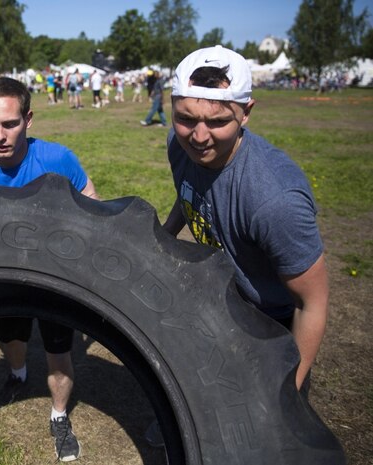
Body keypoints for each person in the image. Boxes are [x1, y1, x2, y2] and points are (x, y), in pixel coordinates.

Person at [153, 45, 329, 447]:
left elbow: (312, 303)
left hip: (272, 324)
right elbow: (188, 192)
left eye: (217, 122)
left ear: (246, 112)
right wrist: (166, 233)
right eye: (185, 119)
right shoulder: (178, 145)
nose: (198, 137)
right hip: (221, 300)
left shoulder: (274, 200)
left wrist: (286, 393)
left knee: (262, 437)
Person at [0, 77, 98, 462]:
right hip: (3, 282)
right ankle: (17, 376)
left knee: (58, 352)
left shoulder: (57, 159)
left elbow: (91, 202)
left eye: (10, 124)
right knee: (9, 337)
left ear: (28, 119)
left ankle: (59, 415)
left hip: (55, 280)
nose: (0, 135)